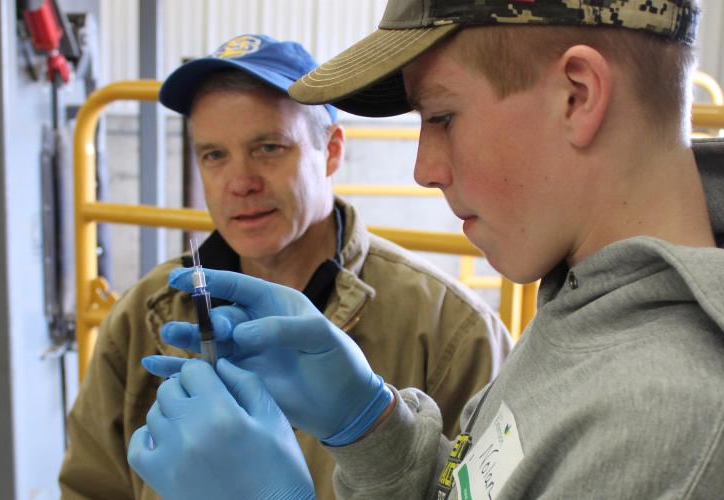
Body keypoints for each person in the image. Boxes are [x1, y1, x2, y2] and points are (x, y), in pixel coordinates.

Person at [127, 0, 724, 499]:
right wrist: (368, 426)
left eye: (441, 116)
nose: (423, 168)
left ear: (576, 95)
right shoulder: (589, 304)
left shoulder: (664, 420)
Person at [59, 33, 511, 500]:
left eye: (269, 147)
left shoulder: (450, 331)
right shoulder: (145, 315)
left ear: (332, 150)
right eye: (214, 155)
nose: (240, 182)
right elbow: (90, 487)